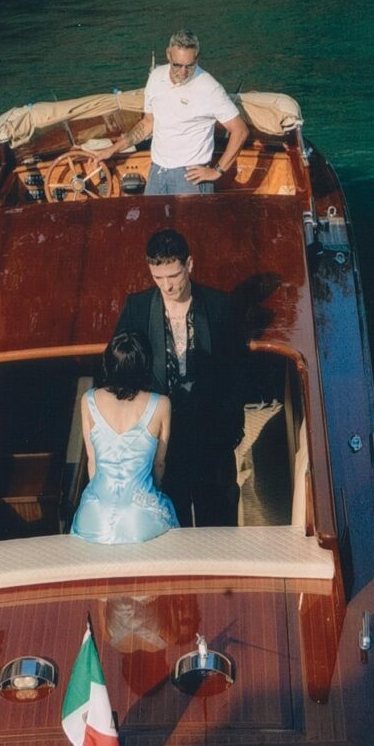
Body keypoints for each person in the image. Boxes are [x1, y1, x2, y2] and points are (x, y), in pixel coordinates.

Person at [114, 229, 242, 527]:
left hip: (211, 435)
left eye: (173, 275)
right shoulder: (137, 307)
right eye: (158, 278)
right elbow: (121, 368)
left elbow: (235, 371)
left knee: (220, 519)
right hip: (162, 439)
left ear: (190, 265)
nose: (167, 286)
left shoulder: (219, 305)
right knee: (172, 520)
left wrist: (232, 429)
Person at [95, 29, 249, 195]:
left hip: (191, 178)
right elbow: (148, 123)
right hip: (157, 172)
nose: (183, 72)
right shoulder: (155, 77)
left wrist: (217, 171)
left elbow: (240, 130)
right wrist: (113, 149)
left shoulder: (210, 88)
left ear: (197, 58)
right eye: (177, 65)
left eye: (189, 66)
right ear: (168, 55)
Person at [71, 331, 179, 545]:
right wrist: (153, 492)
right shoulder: (162, 404)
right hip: (140, 519)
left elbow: (92, 462)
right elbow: (159, 464)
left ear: (108, 364)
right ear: (145, 365)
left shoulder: (89, 400)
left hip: (95, 517)